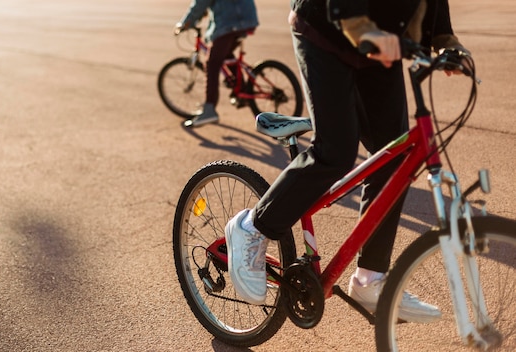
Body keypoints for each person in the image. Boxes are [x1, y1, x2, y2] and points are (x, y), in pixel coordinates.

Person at [225, 0, 470, 323]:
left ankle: (370, 279)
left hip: (381, 38)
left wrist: (442, 38)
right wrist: (360, 28)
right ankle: (250, 227)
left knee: (393, 157)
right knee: (336, 152)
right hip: (326, 29)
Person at [175, 0, 258, 127]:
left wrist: (186, 23)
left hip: (231, 22)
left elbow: (200, 4)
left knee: (212, 63)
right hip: (247, 18)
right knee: (226, 54)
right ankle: (241, 90)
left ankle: (209, 109)